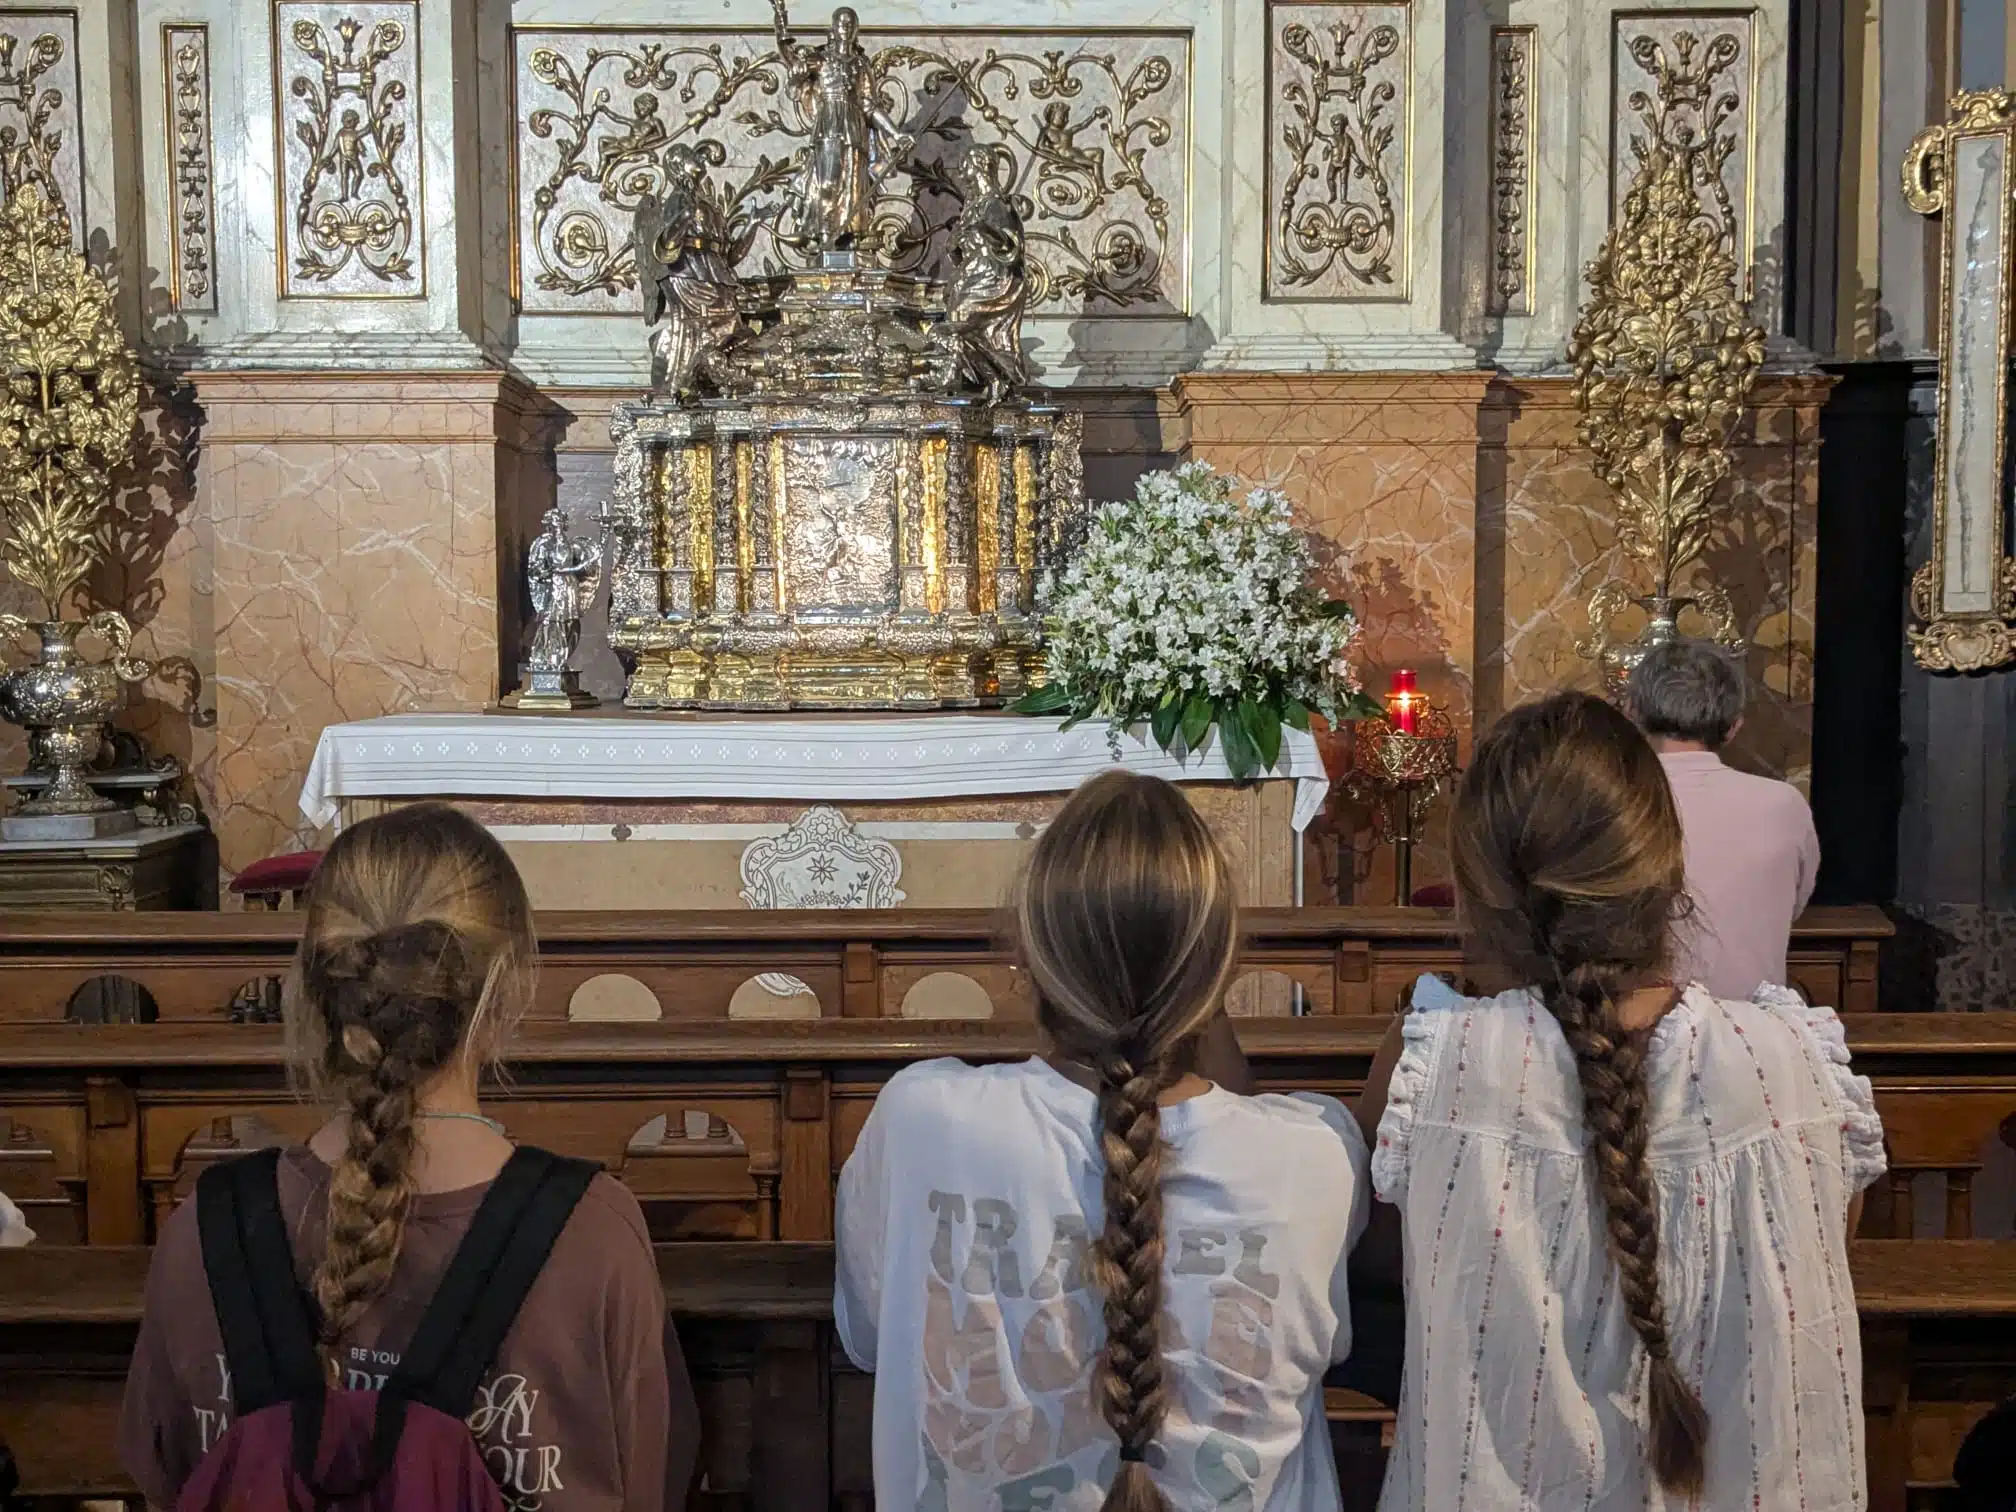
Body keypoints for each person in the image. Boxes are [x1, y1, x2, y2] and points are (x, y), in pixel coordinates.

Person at [1358, 692, 1885, 1511]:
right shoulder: (1796, 1070)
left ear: (1477, 886)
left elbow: (1386, 1265)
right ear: (1665, 862)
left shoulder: (1437, 1065)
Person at [119, 804, 692, 1512]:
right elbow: (645, 1481)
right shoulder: (594, 1232)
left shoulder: (205, 1229)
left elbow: (170, 1479)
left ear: (312, 986)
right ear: (507, 987)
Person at [836, 770, 1370, 1512]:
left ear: (1027, 952)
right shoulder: (1319, 1152)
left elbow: (869, 1339)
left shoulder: (922, 1118)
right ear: (1219, 968)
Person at [1625, 638, 1820, 999]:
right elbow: (1792, 906)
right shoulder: (1783, 805)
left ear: (1631, 713)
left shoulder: (1608, 802)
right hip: (1751, 1034)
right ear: (1734, 725)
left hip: (1637, 1034)